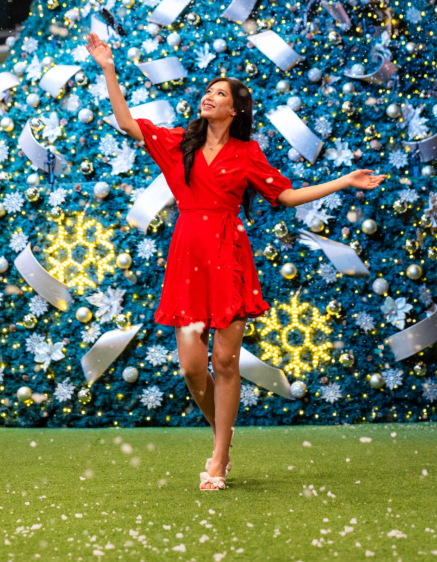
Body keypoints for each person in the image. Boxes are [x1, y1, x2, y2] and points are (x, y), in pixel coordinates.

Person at [85, 32, 386, 492]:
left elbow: (285, 195)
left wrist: (343, 180)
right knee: (191, 365)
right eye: (208, 90)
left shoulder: (247, 154)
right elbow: (126, 121)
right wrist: (109, 67)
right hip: (187, 255)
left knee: (225, 361)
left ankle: (219, 457)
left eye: (219, 94)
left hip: (228, 255)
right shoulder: (178, 143)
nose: (209, 96)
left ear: (235, 110)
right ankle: (221, 434)